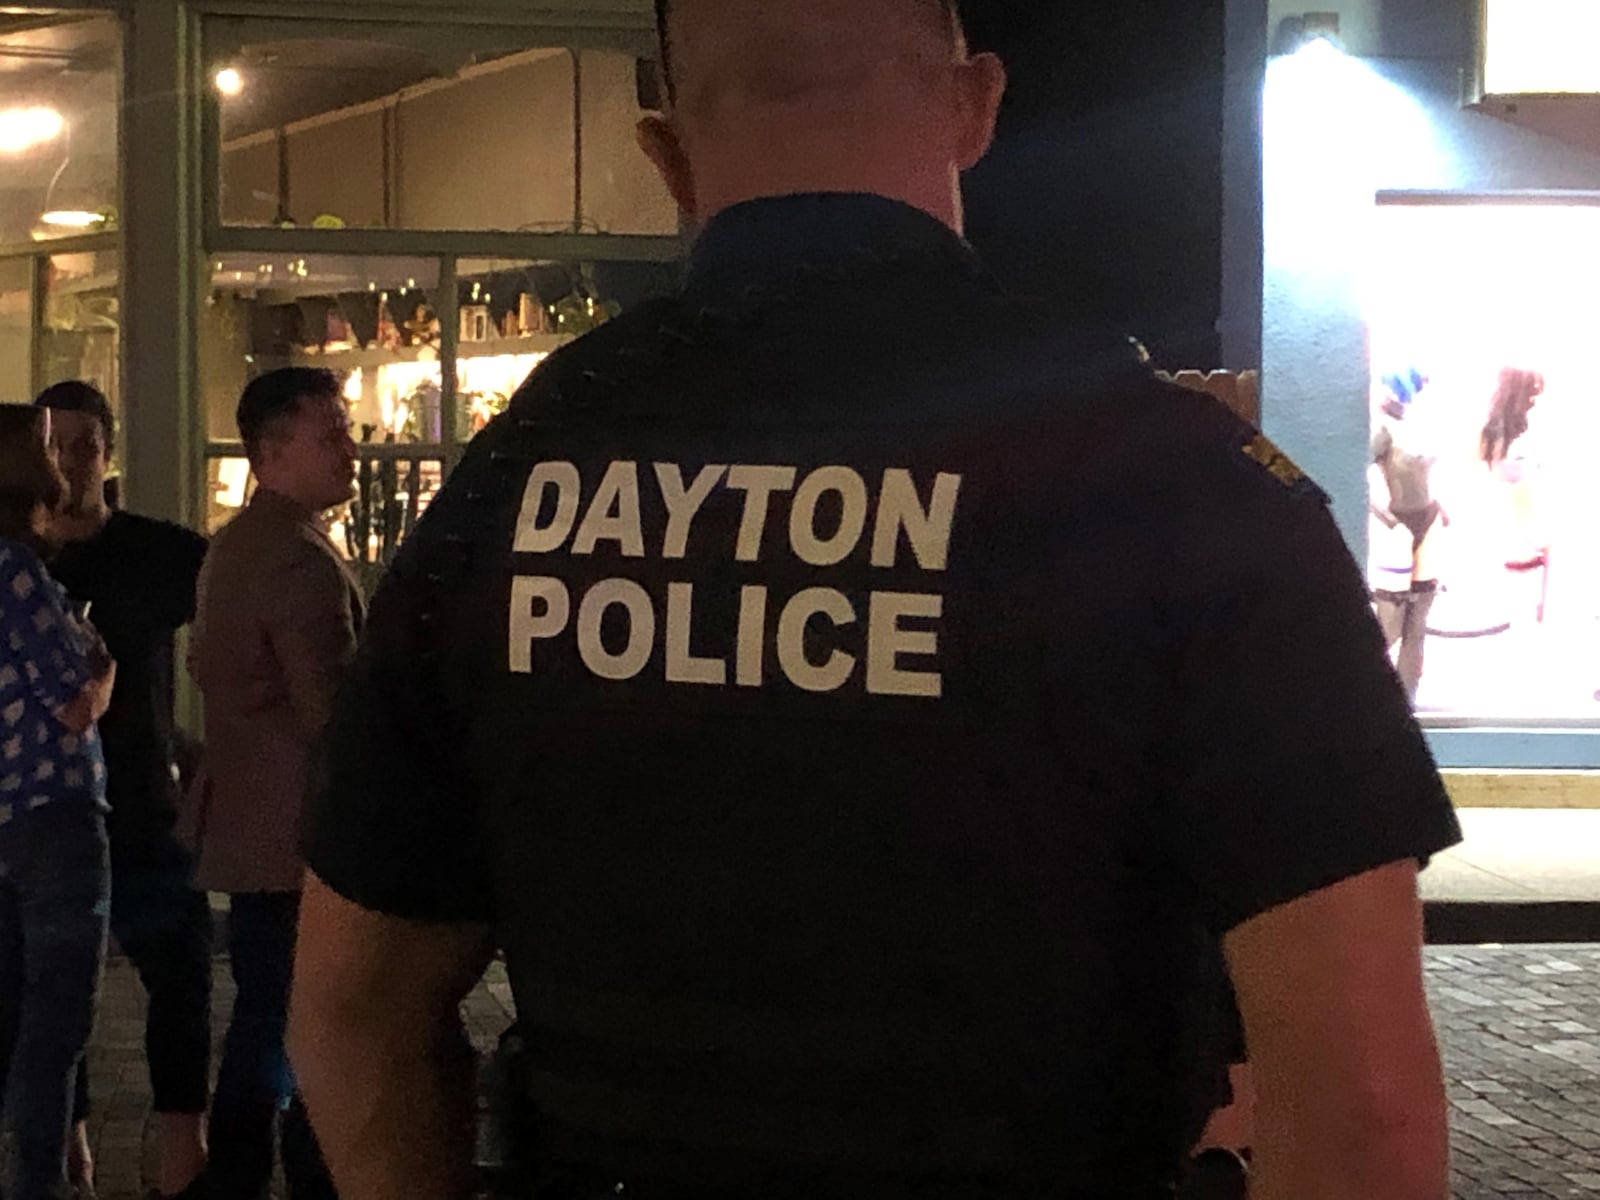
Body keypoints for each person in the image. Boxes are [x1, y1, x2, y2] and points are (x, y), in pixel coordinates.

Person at [290, 3, 1461, 1199]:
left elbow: (348, 1016)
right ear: (977, 105)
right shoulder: (1176, 483)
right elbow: (1360, 1102)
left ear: (666, 153)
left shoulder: (511, 483)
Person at [31, 381, 212, 1200]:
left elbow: (236, 624)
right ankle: (72, 1149)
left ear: (108, 452)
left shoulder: (159, 552)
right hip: (45, 805)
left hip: (141, 799)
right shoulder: (19, 562)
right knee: (54, 990)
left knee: (179, 976)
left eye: (85, 444)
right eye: (55, 444)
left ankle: (184, 1147)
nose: (71, 461)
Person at [187, 367, 358, 1200]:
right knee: (293, 1019)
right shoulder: (297, 559)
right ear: (272, 451)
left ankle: (242, 1170)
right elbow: (328, 708)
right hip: (298, 828)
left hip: (248, 820)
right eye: (331, 433)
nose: (350, 447)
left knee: (266, 1009)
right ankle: (280, 1171)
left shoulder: (236, 545)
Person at [0, 403, 116, 1200]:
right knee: (57, 1023)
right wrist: (103, 664)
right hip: (54, 810)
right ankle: (36, 1178)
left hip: (5, 813)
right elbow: (74, 699)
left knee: (14, 1009)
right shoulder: (18, 570)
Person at [1369, 367, 1445, 701]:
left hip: (1428, 519)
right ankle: (1368, 694)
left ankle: (1406, 702)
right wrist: (1384, 516)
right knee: (1391, 621)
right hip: (1396, 524)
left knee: (1419, 621)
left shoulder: (1421, 426)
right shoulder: (1381, 428)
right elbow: (1356, 476)